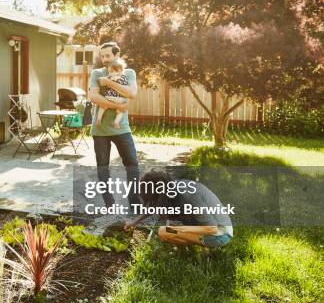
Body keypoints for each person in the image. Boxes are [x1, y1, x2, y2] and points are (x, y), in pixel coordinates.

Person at [88, 42, 139, 208]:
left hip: (121, 128)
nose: (104, 59)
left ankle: (134, 202)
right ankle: (109, 204)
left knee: (132, 164)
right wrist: (119, 106)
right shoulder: (96, 73)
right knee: (103, 168)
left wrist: (109, 83)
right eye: (102, 56)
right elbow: (93, 97)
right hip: (100, 129)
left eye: (108, 56)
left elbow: (131, 93)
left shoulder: (129, 73)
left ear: (117, 55)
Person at [125, 169, 233, 247]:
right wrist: (135, 221)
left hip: (221, 234)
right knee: (170, 226)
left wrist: (180, 229)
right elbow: (154, 205)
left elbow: (212, 228)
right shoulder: (171, 188)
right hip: (204, 226)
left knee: (164, 231)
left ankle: (193, 248)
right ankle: (189, 240)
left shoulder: (190, 197)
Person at [96, 57, 128, 128]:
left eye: (111, 72)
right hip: (119, 99)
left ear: (119, 71)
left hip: (109, 97)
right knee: (121, 111)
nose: (110, 74)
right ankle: (116, 122)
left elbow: (101, 81)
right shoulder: (124, 78)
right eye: (109, 72)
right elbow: (125, 88)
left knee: (103, 106)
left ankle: (99, 118)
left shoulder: (111, 78)